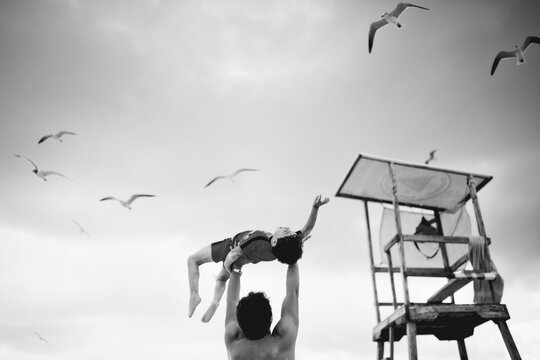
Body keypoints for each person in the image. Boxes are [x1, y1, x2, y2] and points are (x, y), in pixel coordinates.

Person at [187, 194, 329, 322]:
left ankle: (194, 295)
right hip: (244, 261)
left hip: (230, 247)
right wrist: (315, 208)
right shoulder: (281, 248)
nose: (287, 227)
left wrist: (227, 266)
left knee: (193, 260)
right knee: (222, 279)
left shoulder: (258, 238)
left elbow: (233, 254)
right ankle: (215, 302)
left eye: (285, 231)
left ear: (274, 241)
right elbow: (306, 230)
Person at [224, 258, 300, 359]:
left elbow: (232, 301)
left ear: (240, 323)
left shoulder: (233, 340)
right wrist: (292, 258)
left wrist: (236, 266)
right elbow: (293, 293)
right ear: (271, 318)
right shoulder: (283, 340)